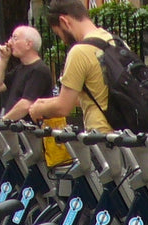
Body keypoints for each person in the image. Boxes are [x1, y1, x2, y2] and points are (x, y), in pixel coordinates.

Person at [28, 0, 114, 135]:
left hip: (100, 135)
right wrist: (49, 102)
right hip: (124, 133)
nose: (63, 40)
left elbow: (63, 107)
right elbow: (99, 96)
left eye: (59, 34)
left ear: (64, 21)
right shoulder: (113, 41)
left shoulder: (80, 51)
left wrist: (37, 110)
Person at [0, 25, 53, 122]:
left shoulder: (39, 70)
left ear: (28, 44)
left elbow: (26, 104)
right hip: (16, 131)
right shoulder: (19, 69)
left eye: (15, 38)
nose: (9, 43)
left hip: (30, 132)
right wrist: (3, 59)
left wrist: (3, 121)